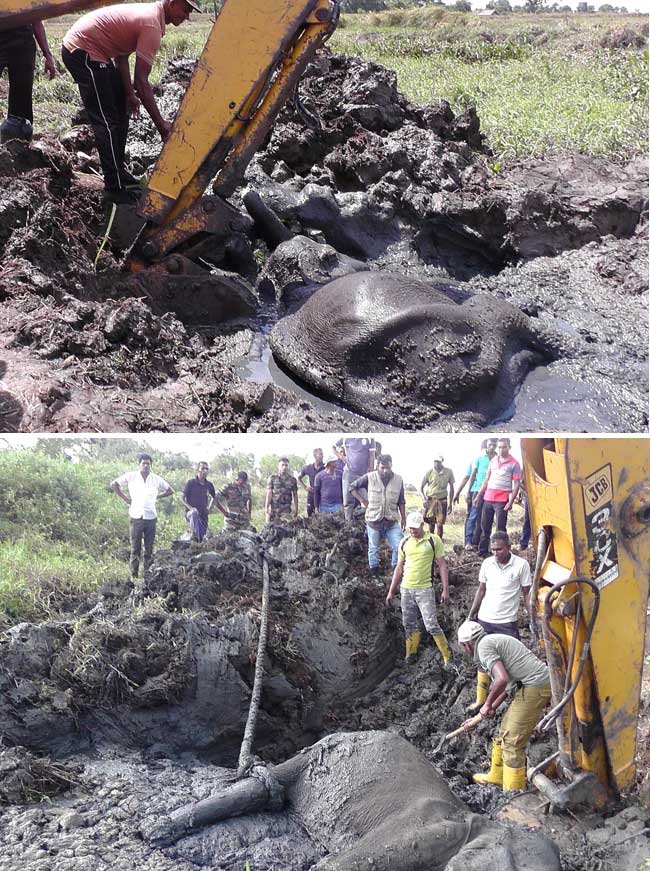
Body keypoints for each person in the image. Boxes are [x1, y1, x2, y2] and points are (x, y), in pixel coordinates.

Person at [61, 0, 201, 203]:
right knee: (106, 120)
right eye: (185, 9)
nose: (187, 16)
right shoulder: (151, 23)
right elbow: (142, 83)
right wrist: (162, 126)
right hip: (82, 51)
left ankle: (118, 171)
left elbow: (122, 58)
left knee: (122, 109)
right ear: (172, 3)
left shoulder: (152, 17)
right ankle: (113, 189)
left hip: (99, 53)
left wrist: (129, 94)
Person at [457, 620, 551, 792]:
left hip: (535, 686)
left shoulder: (483, 647)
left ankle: (513, 791)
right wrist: (488, 708)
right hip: (529, 686)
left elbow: (501, 679)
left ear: (467, 645)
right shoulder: (490, 642)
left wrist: (486, 704)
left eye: (464, 647)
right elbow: (506, 689)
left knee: (512, 742)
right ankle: (498, 777)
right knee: (503, 731)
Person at [466, 531, 533, 712]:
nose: (496, 553)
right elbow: (481, 590)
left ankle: (506, 702)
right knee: (483, 661)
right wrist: (472, 614)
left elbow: (527, 594)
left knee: (511, 664)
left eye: (499, 549)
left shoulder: (521, 565)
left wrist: (532, 616)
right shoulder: (487, 564)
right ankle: (481, 700)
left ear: (509, 548)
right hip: (485, 620)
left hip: (507, 622)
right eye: (493, 549)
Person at [386, 511, 453, 669]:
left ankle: (447, 656)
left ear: (422, 525)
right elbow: (399, 568)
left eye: (415, 528)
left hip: (424, 589)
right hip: (406, 589)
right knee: (408, 623)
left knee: (431, 624)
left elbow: (442, 565)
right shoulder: (404, 542)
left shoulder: (433, 540)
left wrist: (445, 589)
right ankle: (411, 653)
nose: (413, 531)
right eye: (410, 528)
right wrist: (391, 591)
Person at [110, 453, 173, 580]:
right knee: (135, 549)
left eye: (148, 464)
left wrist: (157, 497)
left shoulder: (156, 479)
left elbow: (170, 490)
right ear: (139, 465)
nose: (145, 466)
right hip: (136, 516)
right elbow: (114, 484)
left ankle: (147, 576)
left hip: (151, 518)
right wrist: (126, 499)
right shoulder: (131, 476)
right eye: (143, 463)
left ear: (151, 465)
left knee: (149, 549)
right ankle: (134, 576)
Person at [350, 454, 406, 578]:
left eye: (388, 468)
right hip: (373, 521)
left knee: (400, 546)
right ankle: (374, 573)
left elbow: (401, 501)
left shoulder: (398, 480)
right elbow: (352, 487)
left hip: (391, 521)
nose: (385, 470)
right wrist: (363, 501)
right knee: (374, 548)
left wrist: (403, 518)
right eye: (382, 467)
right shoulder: (369, 477)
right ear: (377, 466)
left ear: (392, 466)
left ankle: (394, 570)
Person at [0, 21, 56, 144]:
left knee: (21, 102)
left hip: (23, 40)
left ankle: (20, 150)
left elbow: (36, 19)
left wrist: (47, 55)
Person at [475, 437, 521, 557]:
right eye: (499, 447)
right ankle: (483, 551)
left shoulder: (514, 463)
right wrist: (479, 495)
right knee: (485, 526)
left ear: (509, 447)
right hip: (488, 497)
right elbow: (486, 480)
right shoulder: (493, 461)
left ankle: (501, 552)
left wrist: (510, 501)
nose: (501, 449)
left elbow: (516, 484)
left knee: (500, 528)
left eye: (504, 447)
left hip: (502, 499)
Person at [455, 438, 497, 550]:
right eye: (489, 445)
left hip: (491, 492)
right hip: (476, 490)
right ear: (485, 447)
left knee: (485, 519)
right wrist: (463, 492)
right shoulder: (477, 458)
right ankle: (468, 542)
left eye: (494, 445)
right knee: (472, 516)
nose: (491, 447)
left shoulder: (497, 459)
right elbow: (469, 476)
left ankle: (479, 544)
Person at [334, 436, 380, 522]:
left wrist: (370, 475)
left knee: (367, 501)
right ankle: (349, 525)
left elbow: (372, 457)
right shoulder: (345, 438)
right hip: (349, 473)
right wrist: (341, 457)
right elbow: (333, 447)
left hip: (362, 474)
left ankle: (369, 524)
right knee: (348, 502)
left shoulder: (370, 438)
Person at [180, 461, 216, 542]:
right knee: (194, 513)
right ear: (198, 470)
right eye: (203, 468)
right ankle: (190, 533)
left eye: (207, 469)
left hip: (203, 515)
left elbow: (215, 497)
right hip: (190, 514)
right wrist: (191, 508)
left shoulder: (209, 485)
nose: (205, 471)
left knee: (201, 539)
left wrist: (210, 508)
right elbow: (181, 498)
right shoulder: (191, 483)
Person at [420, 455, 455, 539]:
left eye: (438, 461)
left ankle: (439, 541)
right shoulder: (429, 472)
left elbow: (451, 488)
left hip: (442, 500)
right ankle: (431, 541)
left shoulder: (448, 472)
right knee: (431, 524)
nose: (436, 463)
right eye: (435, 461)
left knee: (440, 524)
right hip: (430, 500)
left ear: (442, 461)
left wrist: (450, 504)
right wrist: (423, 499)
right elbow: (420, 488)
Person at [265, 457, 298, 523]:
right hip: (274, 509)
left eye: (286, 465)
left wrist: (296, 508)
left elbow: (295, 495)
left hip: (286, 510)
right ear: (278, 466)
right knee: (270, 529)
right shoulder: (272, 478)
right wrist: (266, 507)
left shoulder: (292, 480)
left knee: (286, 529)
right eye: (282, 465)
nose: (284, 467)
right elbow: (269, 493)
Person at [298, 448, 325, 517]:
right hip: (311, 495)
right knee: (310, 514)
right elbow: (299, 478)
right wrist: (305, 487)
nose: (322, 456)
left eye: (322, 454)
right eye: (320, 454)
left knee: (322, 515)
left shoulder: (325, 467)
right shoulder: (308, 468)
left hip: (322, 496)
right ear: (315, 456)